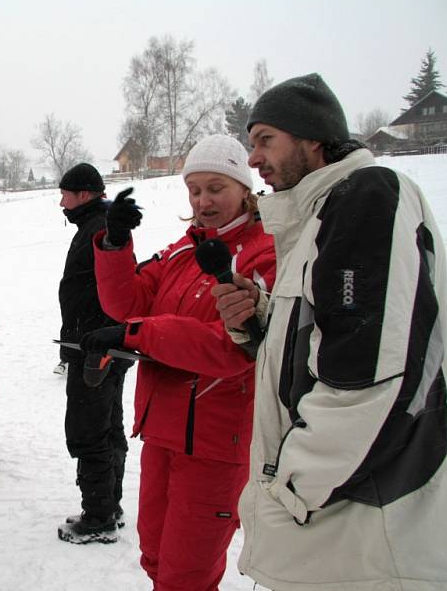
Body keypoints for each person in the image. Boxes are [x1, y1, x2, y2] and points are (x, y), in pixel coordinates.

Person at [211, 73, 447, 590]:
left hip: (366, 525)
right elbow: (332, 338)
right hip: (330, 526)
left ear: (312, 138)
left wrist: (290, 486)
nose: (253, 157)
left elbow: (369, 377)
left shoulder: (368, 196)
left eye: (265, 140)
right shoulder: (316, 217)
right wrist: (261, 318)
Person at [79, 135, 276, 589]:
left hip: (214, 443)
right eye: (194, 190)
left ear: (244, 189)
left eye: (215, 188)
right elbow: (127, 302)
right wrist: (114, 242)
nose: (203, 201)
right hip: (163, 431)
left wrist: (139, 335)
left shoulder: (263, 253)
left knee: (187, 573)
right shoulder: (182, 251)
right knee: (156, 557)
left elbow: (231, 348)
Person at [53, 163, 133, 545]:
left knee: (89, 430)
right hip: (100, 343)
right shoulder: (94, 225)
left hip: (97, 348)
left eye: (65, 194)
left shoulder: (99, 228)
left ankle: (99, 516)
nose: (61, 202)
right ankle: (109, 507)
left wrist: (100, 341)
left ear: (84, 194)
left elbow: (116, 285)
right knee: (107, 425)